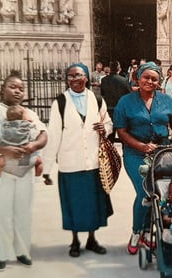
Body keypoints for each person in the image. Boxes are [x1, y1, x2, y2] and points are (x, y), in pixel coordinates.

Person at [113, 61, 172, 255]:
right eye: (146, 77)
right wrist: (141, 146)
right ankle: (136, 232)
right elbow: (121, 131)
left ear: (159, 81)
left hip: (161, 152)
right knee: (145, 192)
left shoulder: (167, 100)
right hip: (135, 153)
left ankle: (149, 232)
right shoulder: (126, 101)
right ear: (137, 78)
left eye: (154, 78)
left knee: (158, 192)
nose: (149, 81)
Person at [0, 71, 48, 271]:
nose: (17, 91)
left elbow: (43, 134)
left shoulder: (28, 112)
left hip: (23, 169)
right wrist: (2, 149)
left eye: (21, 88)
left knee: (23, 212)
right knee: (1, 213)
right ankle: (2, 253)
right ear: (2, 90)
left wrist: (33, 146)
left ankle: (22, 251)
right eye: (13, 87)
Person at [42, 63, 114, 258]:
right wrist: (47, 169)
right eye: (71, 76)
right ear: (67, 80)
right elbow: (53, 135)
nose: (75, 79)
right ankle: (75, 241)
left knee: (93, 204)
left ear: (87, 78)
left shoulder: (97, 99)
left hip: (93, 162)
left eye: (79, 75)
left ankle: (91, 239)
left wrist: (104, 128)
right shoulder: (60, 102)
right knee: (73, 204)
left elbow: (108, 122)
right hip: (70, 163)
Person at [0, 105, 43, 178]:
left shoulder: (4, 126)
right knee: (39, 162)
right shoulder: (29, 126)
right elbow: (36, 135)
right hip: (27, 157)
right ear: (24, 117)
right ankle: (37, 177)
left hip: (9, 158)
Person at [100, 60, 131, 142]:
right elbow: (129, 94)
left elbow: (102, 93)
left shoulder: (104, 80)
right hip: (121, 111)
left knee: (110, 137)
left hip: (109, 110)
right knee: (124, 136)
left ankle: (111, 154)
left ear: (110, 69)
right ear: (118, 69)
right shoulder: (123, 80)